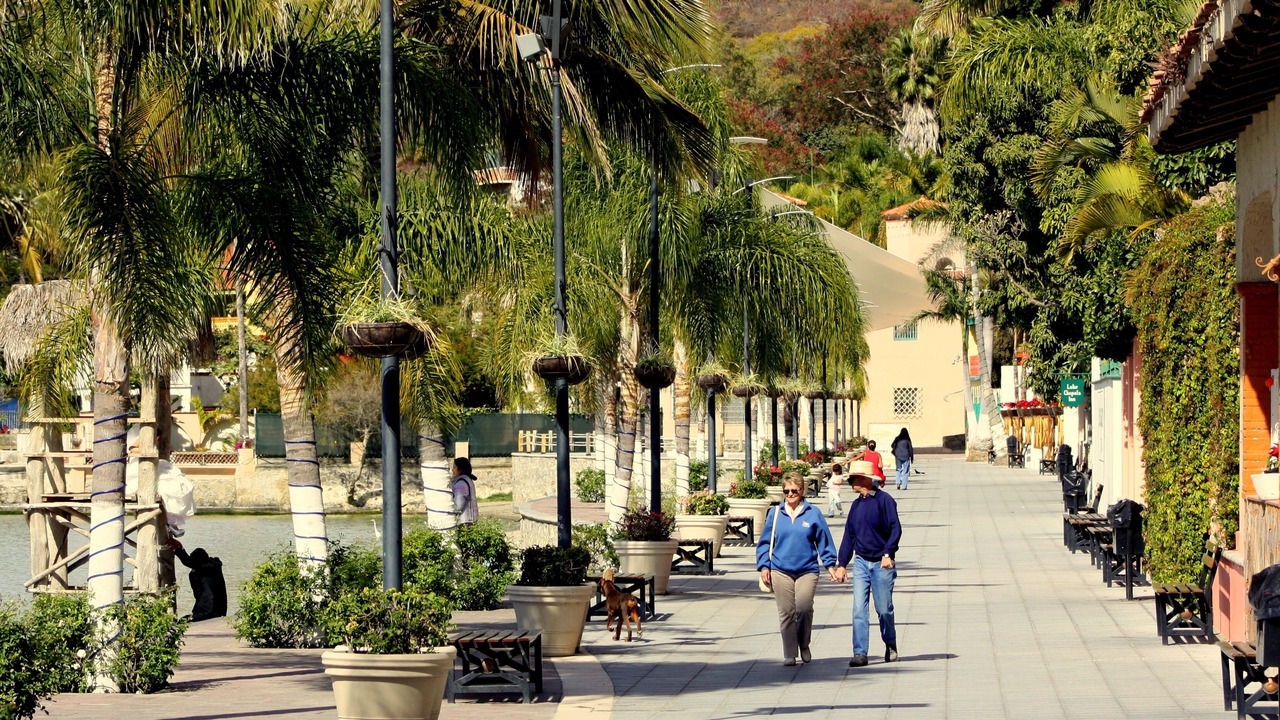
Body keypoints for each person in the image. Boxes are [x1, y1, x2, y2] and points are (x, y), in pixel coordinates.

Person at [757, 471, 839, 666]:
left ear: (802, 490)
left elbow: (824, 540)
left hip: (807, 569)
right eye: (786, 491)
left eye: (794, 490)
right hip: (780, 569)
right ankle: (790, 653)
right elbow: (765, 542)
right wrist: (764, 566)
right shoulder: (775, 513)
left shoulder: (813, 513)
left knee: (804, 608)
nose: (790, 494)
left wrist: (830, 565)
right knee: (786, 612)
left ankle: (804, 643)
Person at [833, 460, 902, 667]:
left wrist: (888, 553)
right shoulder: (856, 506)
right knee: (858, 609)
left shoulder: (884, 501)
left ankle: (890, 642)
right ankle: (860, 652)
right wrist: (842, 564)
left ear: (864, 479)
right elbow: (849, 535)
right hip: (861, 561)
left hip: (882, 562)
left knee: (884, 609)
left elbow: (895, 529)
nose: (850, 483)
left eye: (853, 479)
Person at [171, 540, 227, 621]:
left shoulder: (210, 567)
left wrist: (179, 549)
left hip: (209, 611)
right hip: (214, 610)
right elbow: (192, 564)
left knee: (183, 621)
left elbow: (190, 563)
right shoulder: (212, 567)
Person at [451, 457, 479, 526]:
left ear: (460, 470)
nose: (452, 470)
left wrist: (447, 510)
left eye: (454, 467)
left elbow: (458, 506)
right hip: (469, 520)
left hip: (465, 522)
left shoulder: (461, 483)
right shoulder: (466, 480)